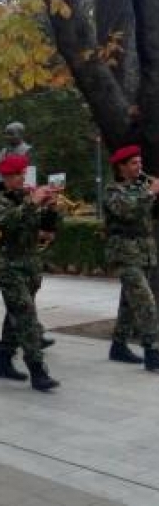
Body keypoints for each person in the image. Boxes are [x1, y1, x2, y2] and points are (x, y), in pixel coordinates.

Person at [0, 154, 61, 391]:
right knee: (26, 315)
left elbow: (45, 229)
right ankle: (37, 370)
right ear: (6, 177)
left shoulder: (28, 198)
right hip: (8, 266)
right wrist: (33, 203)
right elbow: (6, 223)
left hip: (30, 266)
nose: (22, 179)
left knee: (16, 314)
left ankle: (4, 360)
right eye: (18, 175)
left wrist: (51, 210)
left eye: (23, 174)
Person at [104, 145, 159, 371]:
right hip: (124, 252)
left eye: (140, 162)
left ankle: (118, 345)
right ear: (122, 167)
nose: (140, 167)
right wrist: (151, 193)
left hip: (144, 251)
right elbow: (127, 211)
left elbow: (150, 214)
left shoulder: (142, 187)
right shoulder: (113, 190)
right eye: (134, 163)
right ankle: (152, 352)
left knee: (128, 301)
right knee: (146, 302)